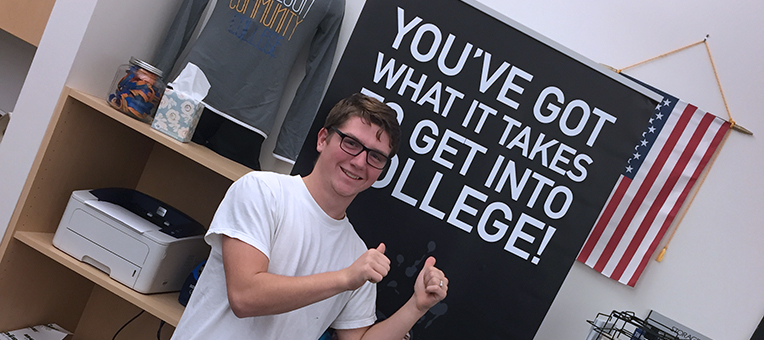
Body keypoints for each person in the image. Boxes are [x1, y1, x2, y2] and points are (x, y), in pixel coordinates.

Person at [171, 93, 449, 340]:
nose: (359, 161)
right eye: (351, 143)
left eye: (375, 156)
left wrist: (417, 306)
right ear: (323, 139)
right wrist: (344, 278)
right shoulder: (262, 191)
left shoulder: (358, 255)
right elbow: (245, 296)